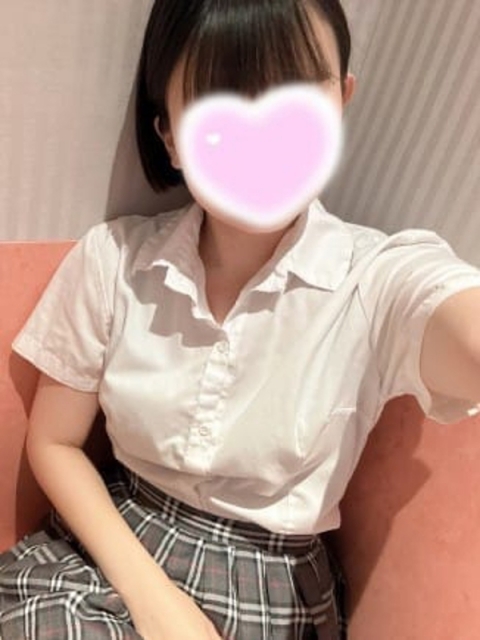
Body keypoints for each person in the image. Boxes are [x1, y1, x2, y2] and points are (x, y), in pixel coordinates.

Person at [1, 0, 480, 638]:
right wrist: (153, 599)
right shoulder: (113, 260)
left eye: (295, 96)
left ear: (341, 101)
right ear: (170, 135)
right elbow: (55, 443)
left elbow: (457, 321)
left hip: (274, 586)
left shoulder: (378, 277)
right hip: (112, 544)